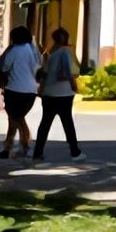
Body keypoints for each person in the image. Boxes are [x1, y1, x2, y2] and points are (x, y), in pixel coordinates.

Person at [33, 27, 84, 161]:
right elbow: (66, 70)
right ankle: (75, 151)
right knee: (67, 122)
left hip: (49, 93)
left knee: (45, 123)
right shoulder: (64, 52)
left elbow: (43, 74)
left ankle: (37, 153)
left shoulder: (50, 53)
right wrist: (72, 83)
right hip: (64, 93)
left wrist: (42, 88)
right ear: (65, 38)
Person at [0, 26, 40, 159]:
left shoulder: (15, 50)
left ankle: (20, 142)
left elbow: (5, 66)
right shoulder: (33, 50)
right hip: (31, 90)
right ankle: (12, 146)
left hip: (15, 88)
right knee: (17, 117)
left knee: (14, 118)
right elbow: (38, 66)